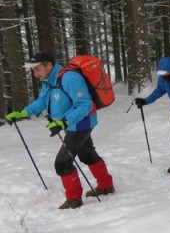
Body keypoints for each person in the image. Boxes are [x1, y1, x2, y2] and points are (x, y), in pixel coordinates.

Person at [5, 52, 114, 209]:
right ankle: (106, 185)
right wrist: (22, 113)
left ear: (49, 65)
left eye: (37, 69)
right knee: (87, 154)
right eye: (33, 70)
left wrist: (64, 122)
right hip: (71, 124)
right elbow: (42, 101)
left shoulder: (69, 78)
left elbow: (85, 104)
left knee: (62, 163)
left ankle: (74, 199)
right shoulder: (48, 81)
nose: (35, 74)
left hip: (81, 123)